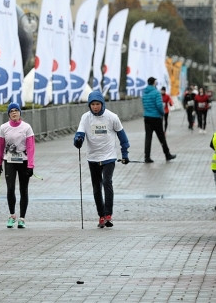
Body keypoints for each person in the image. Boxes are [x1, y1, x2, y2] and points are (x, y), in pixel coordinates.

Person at [74, 90, 130, 228]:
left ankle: (108, 214)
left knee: (107, 182)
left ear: (102, 104)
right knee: (96, 187)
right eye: (92, 104)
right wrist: (78, 140)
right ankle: (101, 215)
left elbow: (123, 137)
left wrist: (125, 154)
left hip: (109, 157)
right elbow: (79, 134)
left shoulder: (112, 117)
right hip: (93, 157)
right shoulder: (85, 118)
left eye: (97, 104)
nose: (95, 107)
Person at [0, 102, 35, 228]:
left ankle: (22, 218)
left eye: (16, 111)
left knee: (23, 189)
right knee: (10, 188)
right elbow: (1, 146)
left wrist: (31, 165)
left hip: (23, 161)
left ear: (20, 113)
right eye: (11, 111)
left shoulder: (26, 127)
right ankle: (12, 216)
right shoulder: (4, 127)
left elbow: (31, 147)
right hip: (9, 161)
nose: (14, 113)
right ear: (8, 114)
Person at [141, 76, 176, 163]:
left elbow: (144, 104)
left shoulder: (144, 93)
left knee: (148, 138)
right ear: (154, 83)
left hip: (147, 117)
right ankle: (167, 154)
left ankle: (147, 157)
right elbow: (159, 106)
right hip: (156, 118)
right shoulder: (156, 93)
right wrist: (162, 113)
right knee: (161, 137)